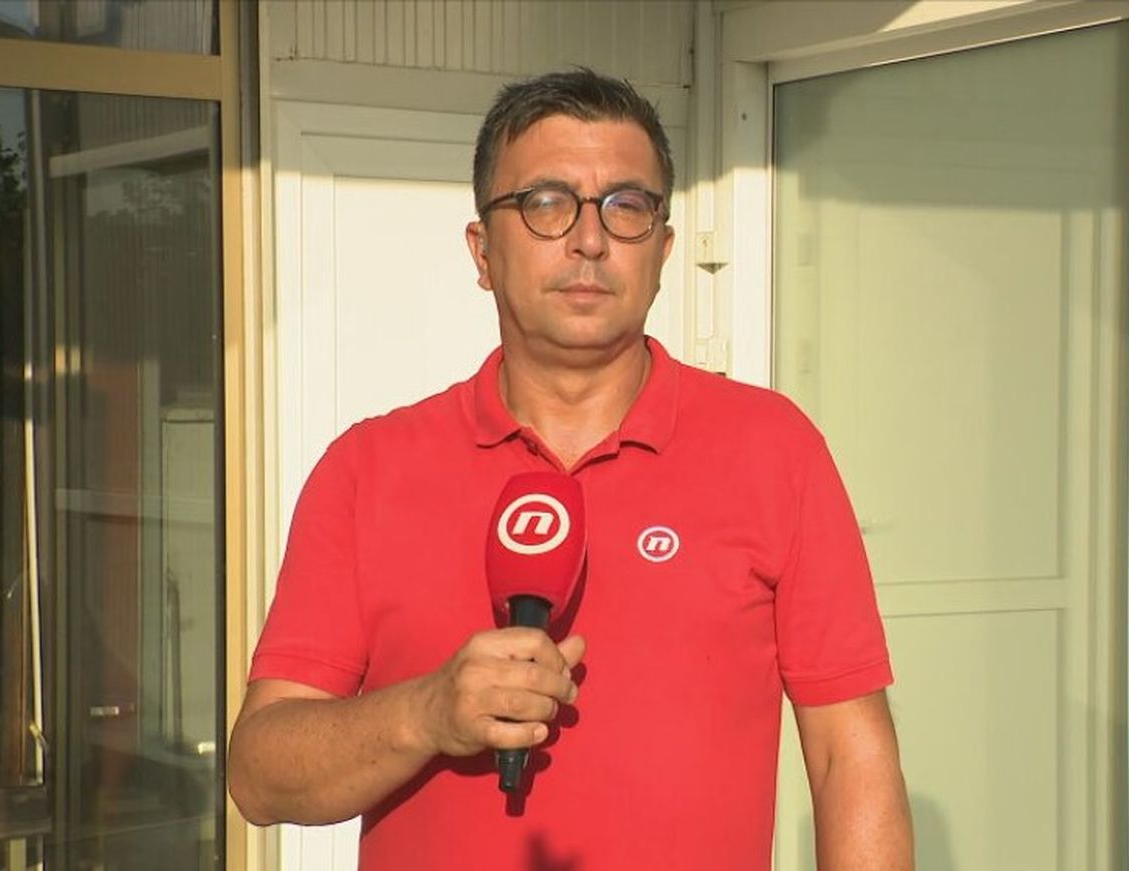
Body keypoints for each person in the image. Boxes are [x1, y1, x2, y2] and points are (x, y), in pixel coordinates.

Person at [228, 68, 913, 870]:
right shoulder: (367, 469)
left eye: (626, 206)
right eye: (547, 203)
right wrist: (426, 712)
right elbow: (259, 776)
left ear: (662, 250)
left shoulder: (774, 450)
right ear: (483, 251)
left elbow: (848, 757)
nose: (589, 239)